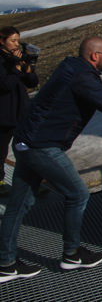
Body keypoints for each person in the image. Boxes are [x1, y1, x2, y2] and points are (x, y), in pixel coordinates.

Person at [0, 36, 102, 283]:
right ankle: (71, 254)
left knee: (20, 203)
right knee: (78, 194)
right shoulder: (81, 76)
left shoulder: (77, 69)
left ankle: (5, 263)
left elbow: (101, 90)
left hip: (29, 141)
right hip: (40, 145)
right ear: (94, 56)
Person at [0, 26, 39, 198]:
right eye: (13, 40)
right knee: (1, 150)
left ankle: (32, 181)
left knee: (27, 147)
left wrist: (28, 68)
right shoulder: (2, 61)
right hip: (3, 114)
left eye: (18, 40)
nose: (17, 44)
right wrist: (15, 69)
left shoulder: (15, 58)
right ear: (2, 41)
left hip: (21, 111)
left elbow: (32, 83)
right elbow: (5, 85)